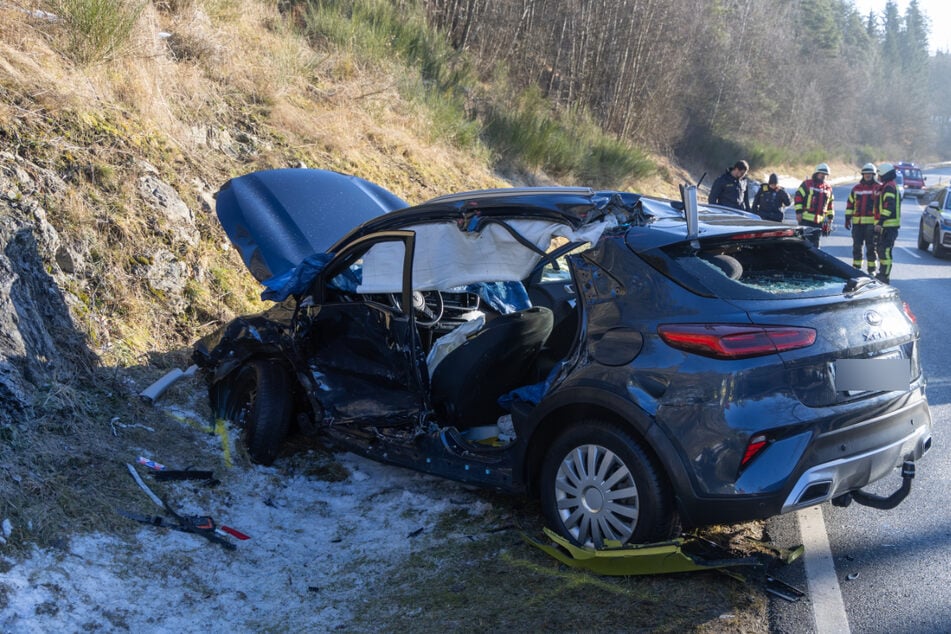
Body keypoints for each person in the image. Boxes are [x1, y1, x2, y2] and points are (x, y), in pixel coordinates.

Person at [844, 163, 880, 276]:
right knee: (857, 246)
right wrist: (847, 218)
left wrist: (879, 222)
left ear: (873, 174)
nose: (867, 175)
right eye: (865, 173)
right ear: (862, 174)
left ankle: (871, 269)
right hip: (857, 223)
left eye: (870, 173)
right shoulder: (856, 188)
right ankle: (856, 268)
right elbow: (850, 204)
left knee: (871, 247)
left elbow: (880, 206)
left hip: (871, 223)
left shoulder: (878, 188)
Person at [794, 163, 835, 247]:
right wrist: (798, 212)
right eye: (822, 174)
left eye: (825, 174)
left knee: (816, 246)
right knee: (803, 244)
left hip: (819, 222)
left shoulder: (828, 188)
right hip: (805, 220)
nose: (823, 176)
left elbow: (830, 204)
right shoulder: (807, 184)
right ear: (816, 173)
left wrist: (830, 218)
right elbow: (798, 197)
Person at [875, 162, 901, 283]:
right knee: (882, 250)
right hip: (888, 226)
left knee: (885, 251)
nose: (878, 176)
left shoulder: (888, 187)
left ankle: (884, 276)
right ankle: (883, 274)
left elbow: (888, 206)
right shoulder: (889, 185)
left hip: (888, 226)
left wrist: (880, 222)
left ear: (884, 174)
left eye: (879, 174)